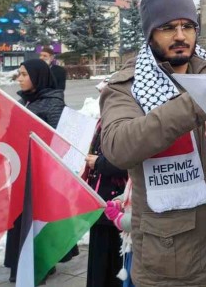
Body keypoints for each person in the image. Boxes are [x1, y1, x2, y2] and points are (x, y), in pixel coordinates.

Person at [99, 0, 206, 287]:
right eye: (168, 28)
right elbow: (118, 146)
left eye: (187, 26)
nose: (180, 36)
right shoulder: (127, 86)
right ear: (150, 34)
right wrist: (197, 100)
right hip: (170, 268)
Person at [4, 58, 67, 282]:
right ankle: (20, 264)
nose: (19, 79)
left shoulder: (53, 102)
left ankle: (38, 265)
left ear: (37, 77)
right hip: (21, 171)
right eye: (19, 74)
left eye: (24, 74)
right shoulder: (23, 102)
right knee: (21, 219)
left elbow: (59, 139)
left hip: (41, 174)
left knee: (37, 220)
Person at [85, 121, 128, 287]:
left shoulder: (125, 120)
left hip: (116, 205)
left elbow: (132, 162)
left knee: (113, 265)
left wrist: (99, 163)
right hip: (98, 203)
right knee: (99, 263)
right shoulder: (102, 121)